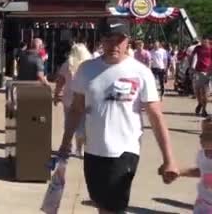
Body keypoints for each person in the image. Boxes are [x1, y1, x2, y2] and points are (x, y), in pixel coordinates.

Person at [58, 18, 178, 214]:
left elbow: (156, 117)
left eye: (119, 40)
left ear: (127, 41)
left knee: (112, 208)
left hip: (125, 151)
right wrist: (65, 143)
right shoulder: (86, 69)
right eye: (108, 39)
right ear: (101, 41)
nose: (114, 45)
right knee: (100, 204)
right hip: (93, 150)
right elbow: (76, 110)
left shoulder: (141, 72)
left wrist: (169, 158)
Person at [53, 43, 92, 157]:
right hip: (85, 98)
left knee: (69, 122)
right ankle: (80, 148)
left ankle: (68, 146)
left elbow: (60, 81)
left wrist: (56, 94)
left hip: (69, 98)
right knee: (82, 124)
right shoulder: (89, 65)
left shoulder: (67, 64)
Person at [176, 117, 212, 213]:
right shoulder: (202, 154)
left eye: (208, 134)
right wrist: (180, 172)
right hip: (203, 202)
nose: (201, 137)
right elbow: (202, 171)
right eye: (202, 133)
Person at [192, 37, 212, 117]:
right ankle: (200, 103)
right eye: (203, 41)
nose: (204, 43)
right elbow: (191, 56)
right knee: (197, 90)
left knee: (205, 92)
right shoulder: (198, 48)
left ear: (209, 41)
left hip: (208, 72)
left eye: (206, 41)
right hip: (198, 71)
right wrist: (191, 67)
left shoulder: (211, 49)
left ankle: (204, 109)